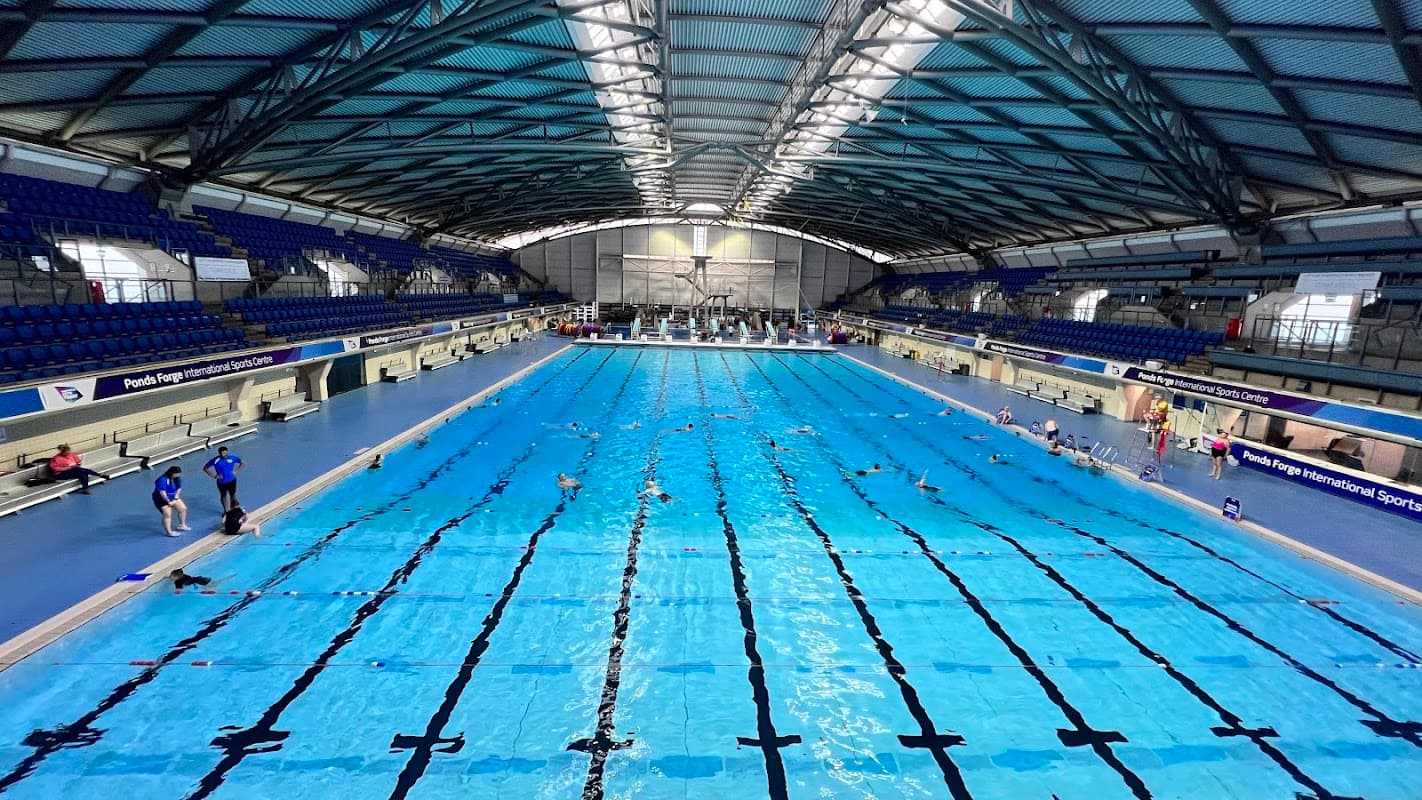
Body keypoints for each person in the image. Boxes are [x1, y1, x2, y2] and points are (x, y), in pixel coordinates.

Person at [202, 446, 244, 511]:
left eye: (225, 453)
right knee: (223, 496)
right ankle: (226, 510)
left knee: (233, 495)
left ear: (227, 452)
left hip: (232, 480)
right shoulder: (215, 460)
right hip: (221, 482)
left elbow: (242, 463)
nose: (223, 454)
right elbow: (205, 468)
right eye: (222, 453)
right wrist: (214, 476)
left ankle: (235, 508)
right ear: (219, 453)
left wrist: (236, 471)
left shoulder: (232, 458)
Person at [153, 466, 189, 537]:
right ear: (172, 473)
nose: (178, 475)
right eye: (177, 474)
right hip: (161, 498)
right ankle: (169, 532)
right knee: (167, 515)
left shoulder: (177, 478)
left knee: (183, 508)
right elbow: (162, 493)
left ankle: (182, 525)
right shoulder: (162, 480)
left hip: (173, 496)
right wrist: (168, 502)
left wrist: (176, 498)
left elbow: (179, 488)